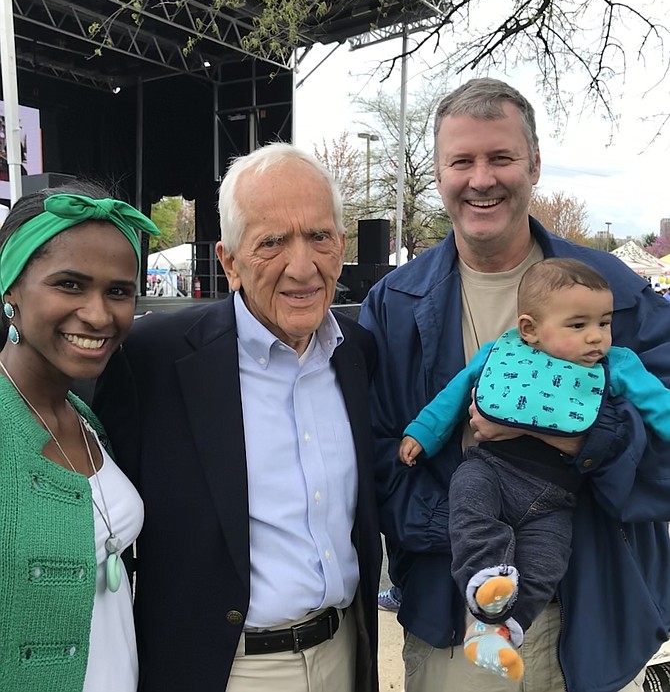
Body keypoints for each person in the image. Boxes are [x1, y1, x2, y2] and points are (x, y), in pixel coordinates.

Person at [359, 77, 670, 692]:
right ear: (439, 172)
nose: (482, 179)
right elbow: (376, 461)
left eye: (500, 157)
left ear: (533, 163)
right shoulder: (394, 305)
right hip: (456, 624)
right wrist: (481, 535)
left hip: (588, 616)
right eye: (462, 161)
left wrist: (577, 443)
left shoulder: (616, 295)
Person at [93, 143, 382, 692]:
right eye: (272, 242)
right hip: (226, 670)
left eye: (320, 237)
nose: (303, 266)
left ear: (342, 245)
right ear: (229, 261)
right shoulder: (154, 359)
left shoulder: (357, 353)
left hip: (346, 654)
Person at [398, 257, 670, 680]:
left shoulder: (617, 366)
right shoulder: (501, 352)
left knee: (546, 565)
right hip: (491, 470)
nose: (596, 337)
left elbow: (658, 404)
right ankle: (483, 580)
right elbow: (454, 396)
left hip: (555, 498)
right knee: (470, 507)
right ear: (529, 330)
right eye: (578, 326)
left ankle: (498, 632)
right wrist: (422, 433)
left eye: (604, 322)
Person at [0, 183, 160, 691]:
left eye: (118, 291)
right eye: (70, 284)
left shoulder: (85, 419)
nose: (98, 314)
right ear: (11, 291)